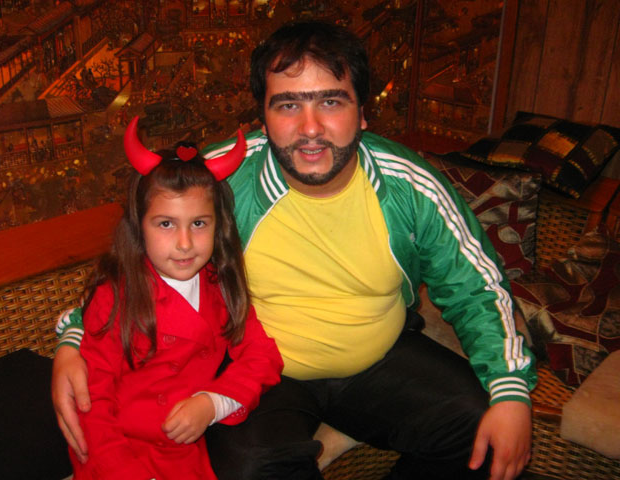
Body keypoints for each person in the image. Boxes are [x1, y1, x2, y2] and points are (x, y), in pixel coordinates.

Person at [52, 21, 536, 480]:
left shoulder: (409, 185)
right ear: (262, 118)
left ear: (363, 113)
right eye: (287, 105)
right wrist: (73, 339)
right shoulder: (221, 178)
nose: (310, 128)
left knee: (485, 430)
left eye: (331, 101)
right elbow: (141, 256)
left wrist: (511, 392)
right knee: (249, 470)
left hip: (381, 356)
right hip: (264, 370)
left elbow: (476, 287)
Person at [65, 117, 282, 479]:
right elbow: (93, 403)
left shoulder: (220, 286)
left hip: (183, 451)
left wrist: (213, 403)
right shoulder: (114, 297)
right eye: (166, 224)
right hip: (117, 454)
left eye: (199, 223)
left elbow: (263, 356)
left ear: (218, 225)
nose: (185, 243)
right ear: (139, 226)